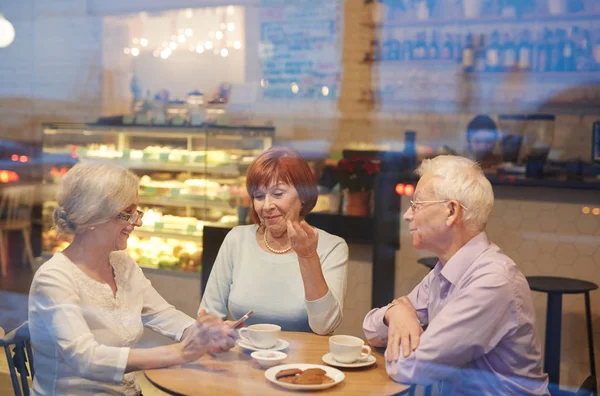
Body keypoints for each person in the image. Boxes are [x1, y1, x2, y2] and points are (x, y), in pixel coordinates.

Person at [28, 163, 236, 396]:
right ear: (93, 216)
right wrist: (180, 353)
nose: (137, 222)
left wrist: (200, 333)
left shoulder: (121, 263)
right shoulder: (54, 278)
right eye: (128, 213)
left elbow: (161, 313)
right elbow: (85, 358)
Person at [363, 155, 549, 395]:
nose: (408, 216)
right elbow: (371, 329)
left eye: (416, 205)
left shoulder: (492, 282)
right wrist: (394, 313)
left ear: (451, 211)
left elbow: (411, 368)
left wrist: (402, 315)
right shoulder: (444, 271)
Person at [199, 147, 348, 335]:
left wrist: (308, 255)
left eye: (278, 194)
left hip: (302, 362)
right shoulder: (237, 239)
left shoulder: (332, 247)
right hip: (244, 357)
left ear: (303, 196)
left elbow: (325, 326)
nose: (267, 206)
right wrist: (213, 329)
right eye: (259, 196)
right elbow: (208, 313)